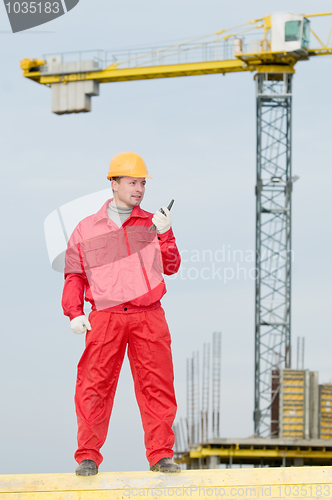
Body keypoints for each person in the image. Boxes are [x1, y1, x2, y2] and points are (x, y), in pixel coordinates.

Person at [62, 152, 181, 476]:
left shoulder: (152, 224)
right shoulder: (87, 228)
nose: (139, 188)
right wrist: (74, 312)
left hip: (148, 316)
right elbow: (75, 274)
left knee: (158, 386)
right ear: (113, 184)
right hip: (105, 316)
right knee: (93, 386)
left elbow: (170, 267)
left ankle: (161, 456)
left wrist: (165, 234)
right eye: (132, 182)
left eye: (142, 183)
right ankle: (87, 456)